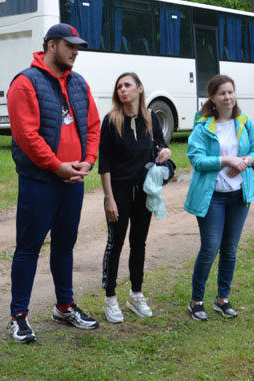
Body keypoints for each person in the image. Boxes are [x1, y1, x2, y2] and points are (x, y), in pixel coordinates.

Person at [6, 23, 101, 343]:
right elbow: (27, 136)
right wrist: (56, 167)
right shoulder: (25, 83)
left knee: (64, 245)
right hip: (40, 181)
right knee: (28, 248)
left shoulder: (79, 83)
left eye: (77, 47)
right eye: (69, 45)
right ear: (51, 45)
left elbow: (93, 125)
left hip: (73, 180)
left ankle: (64, 306)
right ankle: (18, 316)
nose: (75, 52)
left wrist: (88, 160)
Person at [184, 74, 254, 321]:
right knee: (210, 248)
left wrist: (245, 161)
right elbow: (196, 160)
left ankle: (222, 299)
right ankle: (196, 301)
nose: (228, 97)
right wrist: (226, 160)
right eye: (222, 93)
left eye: (231, 92)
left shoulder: (244, 122)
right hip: (212, 197)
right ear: (212, 99)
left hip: (239, 196)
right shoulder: (202, 126)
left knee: (229, 249)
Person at [98, 72, 171, 323]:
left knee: (139, 243)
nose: (122, 90)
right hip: (118, 191)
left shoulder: (150, 119)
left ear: (140, 89)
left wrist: (165, 152)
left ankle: (136, 295)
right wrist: (109, 198)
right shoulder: (111, 121)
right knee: (115, 243)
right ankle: (110, 298)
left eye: (127, 85)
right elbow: (104, 163)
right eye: (119, 86)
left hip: (144, 192)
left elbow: (160, 146)